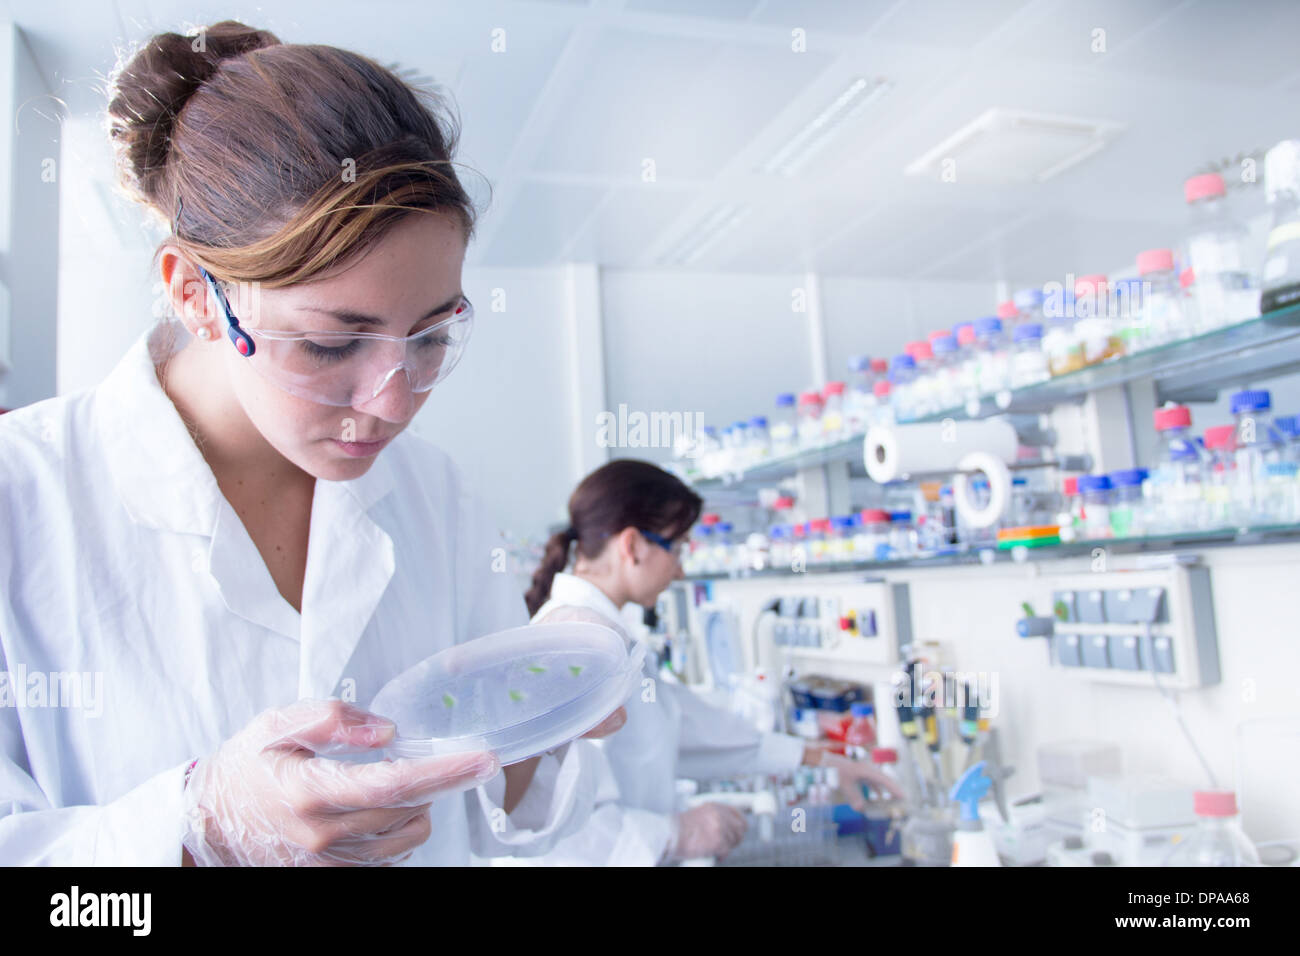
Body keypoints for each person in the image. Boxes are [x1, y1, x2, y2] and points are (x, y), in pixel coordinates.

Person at [0, 20, 623, 866]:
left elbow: (494, 817)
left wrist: (545, 725)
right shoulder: (23, 498)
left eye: (431, 337)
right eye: (332, 344)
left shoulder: (434, 495)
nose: (393, 403)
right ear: (193, 294)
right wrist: (200, 826)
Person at [520, 459, 902, 866]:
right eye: (678, 546)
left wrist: (819, 758)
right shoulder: (581, 643)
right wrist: (675, 834)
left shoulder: (605, 634)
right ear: (632, 546)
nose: (681, 570)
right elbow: (549, 822)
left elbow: (682, 727)